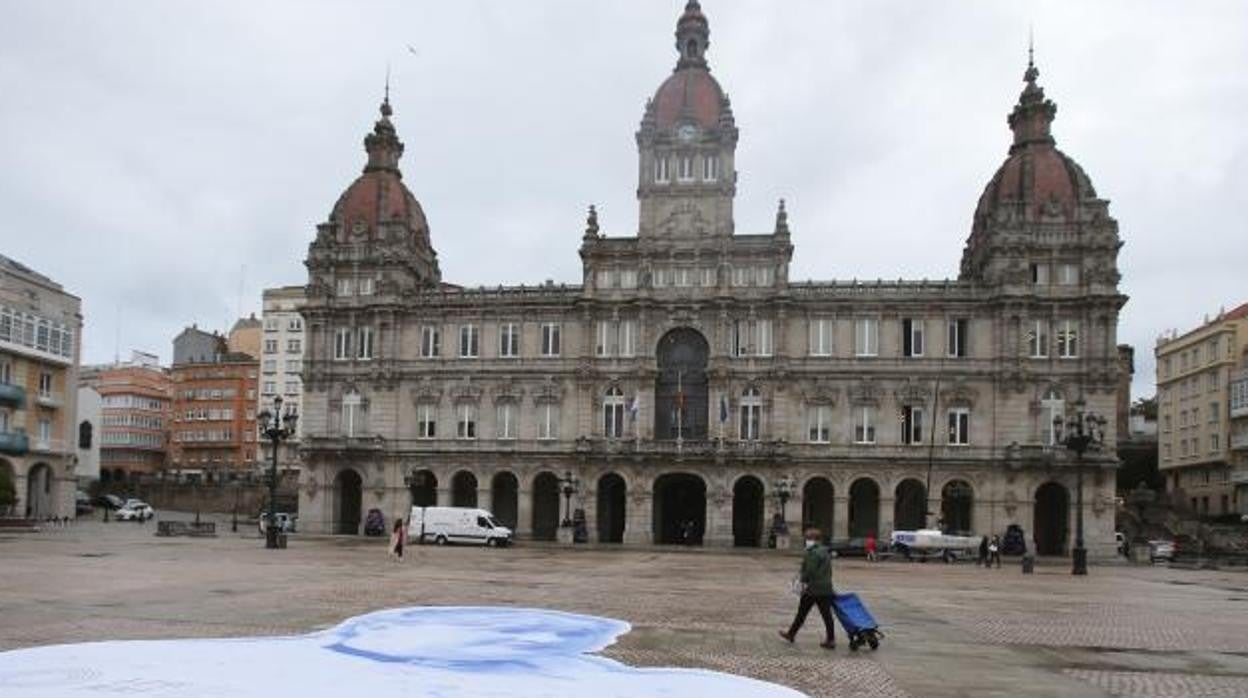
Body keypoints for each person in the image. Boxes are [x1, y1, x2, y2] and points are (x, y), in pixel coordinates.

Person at [778, 528, 838, 649]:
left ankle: (791, 634)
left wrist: (802, 580)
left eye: (808, 538)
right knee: (826, 615)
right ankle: (830, 640)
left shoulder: (813, 553)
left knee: (802, 613)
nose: (806, 541)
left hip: (813, 589)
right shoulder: (824, 551)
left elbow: (810, 571)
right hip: (825, 588)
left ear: (813, 539)